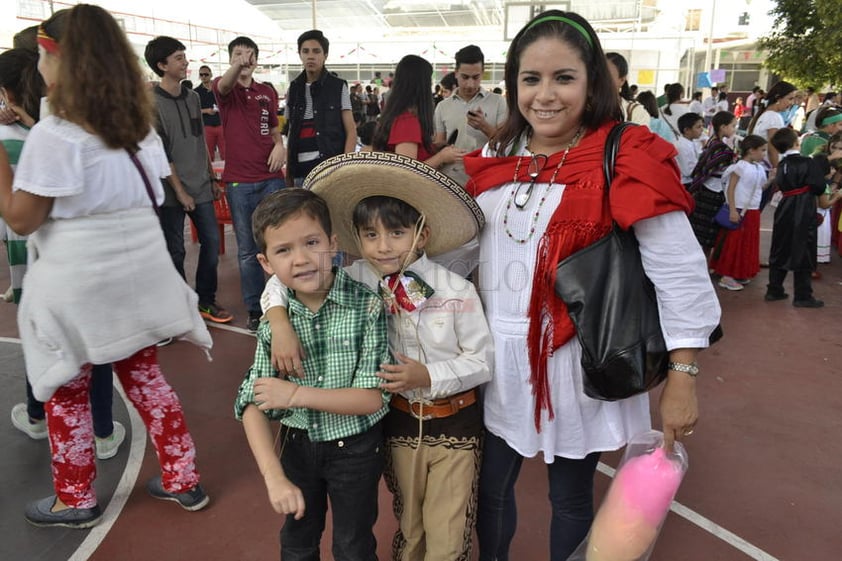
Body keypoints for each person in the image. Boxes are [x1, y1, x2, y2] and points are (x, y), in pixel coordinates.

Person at [462, 10, 721, 561]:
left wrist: (684, 377)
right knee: (489, 490)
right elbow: (462, 246)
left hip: (578, 358)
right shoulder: (498, 156)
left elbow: (679, 271)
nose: (545, 95)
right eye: (530, 79)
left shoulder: (625, 153)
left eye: (564, 78)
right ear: (513, 86)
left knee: (571, 497)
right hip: (498, 356)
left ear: (592, 82)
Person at [0, 4, 212, 529]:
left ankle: (75, 499)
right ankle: (183, 479)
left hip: (81, 288)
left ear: (54, 58)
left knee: (67, 392)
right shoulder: (138, 128)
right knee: (146, 380)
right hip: (138, 279)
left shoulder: (58, 134)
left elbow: (22, 219)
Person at [261, 152, 492, 561]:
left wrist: (429, 375)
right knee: (410, 524)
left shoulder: (456, 291)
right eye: (370, 236)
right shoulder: (355, 279)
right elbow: (288, 279)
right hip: (397, 424)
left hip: (454, 425)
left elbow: (482, 361)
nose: (383, 247)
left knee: (448, 533)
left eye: (397, 234)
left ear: (421, 234)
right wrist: (278, 321)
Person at [234, 187, 390, 560]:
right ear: (266, 263)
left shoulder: (366, 305)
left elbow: (371, 398)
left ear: (333, 243)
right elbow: (250, 403)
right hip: (296, 447)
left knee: (353, 545)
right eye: (283, 250)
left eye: (311, 242)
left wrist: (294, 396)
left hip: (356, 448)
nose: (301, 259)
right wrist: (274, 478)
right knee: (298, 542)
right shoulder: (276, 324)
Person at [0, 46, 126, 459]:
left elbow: (18, 219)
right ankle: (103, 432)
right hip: (91, 261)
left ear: (7, 94)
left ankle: (44, 421)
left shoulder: (14, 142)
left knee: (46, 346)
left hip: (36, 266)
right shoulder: (81, 132)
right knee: (95, 347)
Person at [144, 36, 233, 324]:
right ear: (161, 65)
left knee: (210, 243)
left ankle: (205, 301)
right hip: (170, 190)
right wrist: (181, 192)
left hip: (201, 186)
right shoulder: (151, 103)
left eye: (184, 56)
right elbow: (161, 152)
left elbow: (200, 143)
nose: (185, 62)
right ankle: (179, 305)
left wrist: (211, 179)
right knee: (175, 250)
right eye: (179, 58)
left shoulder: (193, 97)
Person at [213, 35, 286, 332]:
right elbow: (225, 85)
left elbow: (273, 127)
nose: (245, 58)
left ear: (256, 59)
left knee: (281, 243)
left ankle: (285, 302)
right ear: (231, 59)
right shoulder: (224, 87)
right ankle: (256, 309)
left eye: (250, 53)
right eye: (238, 53)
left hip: (271, 179)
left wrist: (280, 146)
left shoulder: (266, 91)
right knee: (247, 251)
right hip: (240, 183)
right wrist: (236, 68)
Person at [765, 128, 828, 307]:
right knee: (804, 248)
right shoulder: (807, 163)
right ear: (796, 143)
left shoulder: (782, 165)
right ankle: (803, 296)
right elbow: (819, 186)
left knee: (780, 247)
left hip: (785, 206)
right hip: (803, 207)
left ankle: (774, 289)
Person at [284, 29, 356, 187]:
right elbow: (290, 131)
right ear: (300, 54)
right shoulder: (293, 88)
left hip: (329, 170)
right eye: (305, 51)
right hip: (300, 172)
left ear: (325, 55)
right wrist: (289, 171)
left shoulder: (338, 87)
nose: (310, 56)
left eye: (316, 51)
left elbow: (351, 130)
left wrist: (344, 167)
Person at [372, 55, 464, 170]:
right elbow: (406, 171)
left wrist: (432, 147)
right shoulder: (407, 122)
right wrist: (441, 157)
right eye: (429, 82)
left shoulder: (399, 116)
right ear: (421, 86)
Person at [433, 45, 507, 186]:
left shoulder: (498, 102)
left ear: (482, 73)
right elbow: (439, 144)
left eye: (476, 77)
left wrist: (484, 126)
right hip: (451, 183)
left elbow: (506, 146)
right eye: (465, 77)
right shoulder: (443, 106)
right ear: (456, 73)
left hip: (487, 181)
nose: (470, 84)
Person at [708, 135, 771, 291]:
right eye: (762, 150)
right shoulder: (739, 167)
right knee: (734, 242)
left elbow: (759, 189)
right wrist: (733, 209)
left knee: (745, 242)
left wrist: (772, 180)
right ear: (751, 150)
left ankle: (737, 272)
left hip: (752, 209)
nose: (764, 154)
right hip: (740, 209)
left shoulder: (759, 168)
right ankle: (727, 275)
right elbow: (731, 188)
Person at [688, 111, 739, 257]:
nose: (734, 129)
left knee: (702, 234)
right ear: (723, 127)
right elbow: (709, 169)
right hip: (712, 194)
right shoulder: (722, 150)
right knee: (706, 235)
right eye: (733, 126)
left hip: (705, 191)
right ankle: (702, 265)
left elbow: (703, 169)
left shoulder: (712, 143)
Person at [747, 80, 796, 168]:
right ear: (778, 98)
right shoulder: (774, 117)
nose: (792, 103)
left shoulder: (765, 114)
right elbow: (772, 148)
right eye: (790, 99)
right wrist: (777, 169)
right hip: (768, 168)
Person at [605, 52, 649, 126]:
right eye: (597, 75)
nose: (600, 80)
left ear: (622, 80)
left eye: (606, 76)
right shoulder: (584, 109)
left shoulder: (636, 112)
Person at [195, 64, 225, 161]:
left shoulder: (219, 88)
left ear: (211, 74)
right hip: (207, 126)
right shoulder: (196, 92)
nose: (203, 77)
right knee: (208, 154)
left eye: (206, 74)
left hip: (221, 124)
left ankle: (228, 174)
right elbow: (194, 110)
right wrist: (206, 111)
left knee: (225, 152)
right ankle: (211, 175)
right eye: (201, 75)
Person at [675, 112, 704, 187]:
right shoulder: (682, 146)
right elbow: (689, 172)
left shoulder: (691, 141)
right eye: (698, 127)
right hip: (686, 184)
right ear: (687, 130)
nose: (702, 129)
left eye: (702, 126)